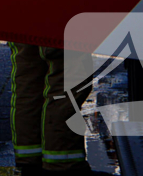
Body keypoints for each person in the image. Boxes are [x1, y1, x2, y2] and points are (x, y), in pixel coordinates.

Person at [10, 45, 102, 175]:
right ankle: (64, 164)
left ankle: (30, 159)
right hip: (59, 26)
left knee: (29, 76)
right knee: (66, 78)